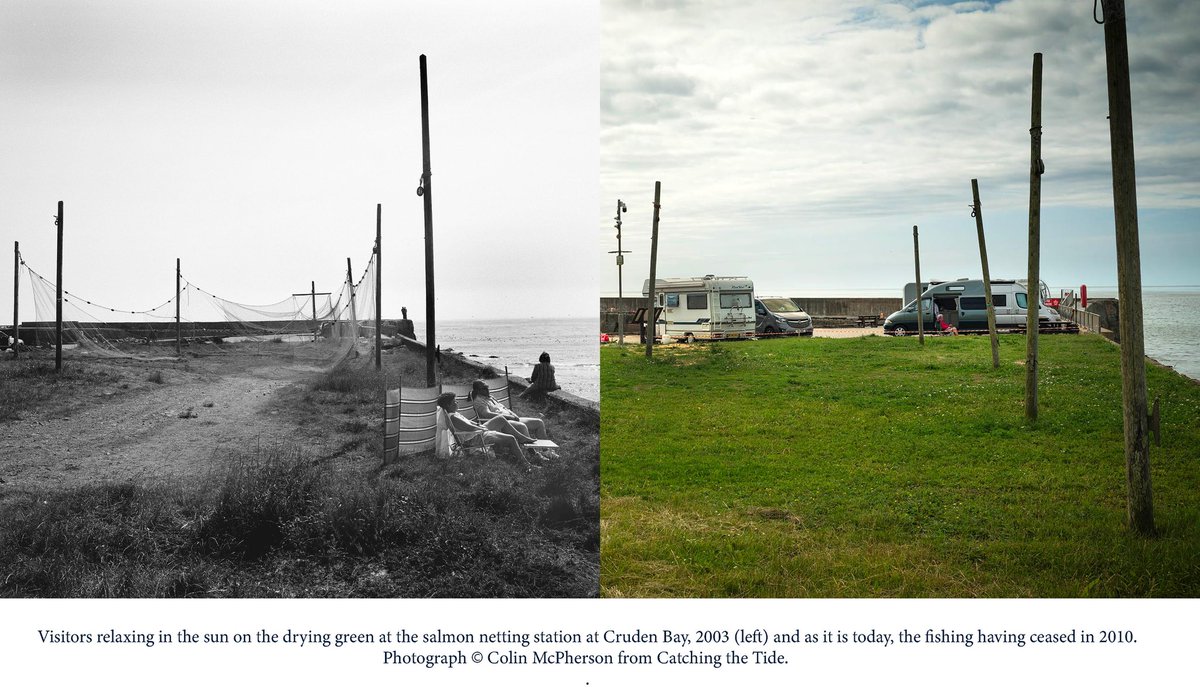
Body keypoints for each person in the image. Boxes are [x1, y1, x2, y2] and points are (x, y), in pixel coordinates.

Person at [436, 392, 533, 467]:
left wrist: (479, 425)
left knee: (500, 419)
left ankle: (521, 438)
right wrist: (483, 428)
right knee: (511, 438)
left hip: (476, 433)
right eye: (454, 402)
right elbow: (470, 427)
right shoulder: (454, 418)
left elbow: (471, 423)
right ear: (449, 405)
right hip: (474, 439)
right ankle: (526, 464)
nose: (457, 403)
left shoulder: (454, 414)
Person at [470, 380, 548, 440]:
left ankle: (546, 451)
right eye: (484, 388)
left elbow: (504, 408)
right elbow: (487, 414)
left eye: (487, 387)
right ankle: (533, 453)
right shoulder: (479, 401)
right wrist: (509, 417)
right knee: (522, 426)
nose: (487, 389)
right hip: (501, 423)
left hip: (510, 419)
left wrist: (513, 415)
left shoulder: (490, 397)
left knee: (539, 422)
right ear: (478, 391)